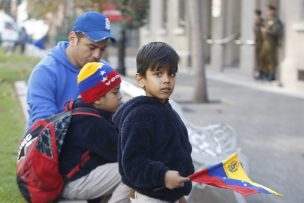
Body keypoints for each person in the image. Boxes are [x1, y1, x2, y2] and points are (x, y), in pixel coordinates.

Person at [113, 42, 194, 203]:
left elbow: (177, 152)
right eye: (158, 74)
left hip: (169, 194)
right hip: (150, 196)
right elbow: (133, 163)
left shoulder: (167, 111)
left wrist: (179, 195)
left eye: (171, 74)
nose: (166, 80)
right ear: (141, 79)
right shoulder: (139, 116)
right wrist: (163, 176)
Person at [26, 11, 115, 129]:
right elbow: (44, 127)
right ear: (72, 39)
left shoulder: (104, 70)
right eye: (92, 47)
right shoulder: (45, 72)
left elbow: (118, 110)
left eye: (102, 49)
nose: (97, 55)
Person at [59, 62, 129, 202]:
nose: (120, 96)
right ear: (97, 99)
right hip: (74, 185)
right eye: (115, 92)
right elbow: (123, 153)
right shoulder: (92, 123)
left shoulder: (82, 113)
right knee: (132, 171)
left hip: (77, 178)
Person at [260, 5, 283, 81]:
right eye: (268, 10)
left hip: (271, 42)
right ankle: (266, 73)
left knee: (271, 59)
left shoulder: (276, 21)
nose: (268, 12)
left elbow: (277, 32)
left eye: (270, 10)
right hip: (265, 42)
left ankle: (272, 74)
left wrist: (267, 31)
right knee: (264, 58)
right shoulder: (267, 20)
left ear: (273, 11)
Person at [253, 9, 264, 80]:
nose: (256, 17)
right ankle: (258, 72)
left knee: (261, 58)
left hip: (262, 42)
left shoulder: (262, 22)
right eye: (256, 15)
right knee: (257, 58)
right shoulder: (256, 22)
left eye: (257, 15)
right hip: (257, 42)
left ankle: (261, 73)